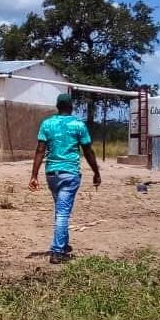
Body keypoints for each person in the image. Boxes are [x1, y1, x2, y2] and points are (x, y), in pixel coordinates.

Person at [29, 93, 101, 264]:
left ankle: (63, 243)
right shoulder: (78, 125)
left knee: (61, 210)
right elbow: (88, 151)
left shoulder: (47, 124)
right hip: (70, 174)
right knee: (63, 212)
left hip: (52, 174)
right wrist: (96, 171)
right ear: (71, 107)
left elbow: (40, 150)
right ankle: (57, 251)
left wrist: (34, 175)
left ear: (57, 106)